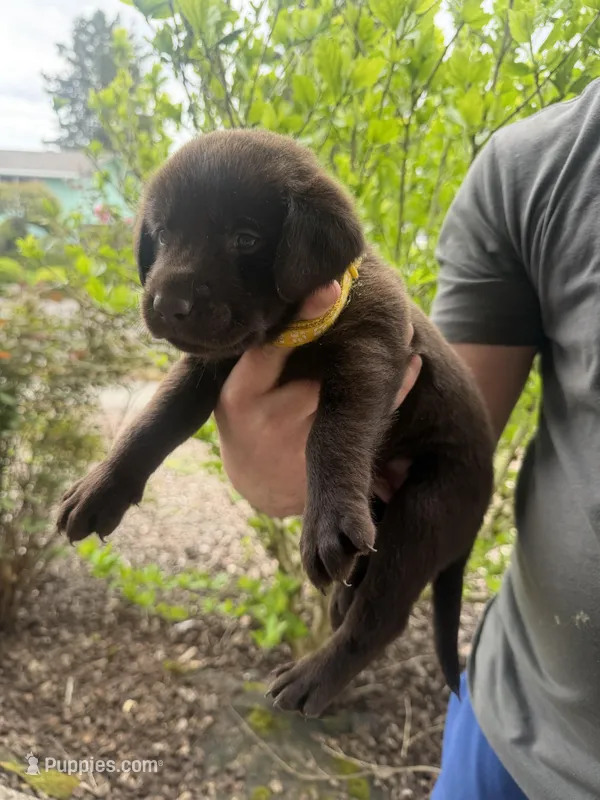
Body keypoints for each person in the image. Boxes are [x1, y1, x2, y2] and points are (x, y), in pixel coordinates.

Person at [214, 79, 600, 799]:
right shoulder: (537, 167)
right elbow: (443, 409)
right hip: (511, 723)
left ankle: (354, 646)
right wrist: (299, 474)